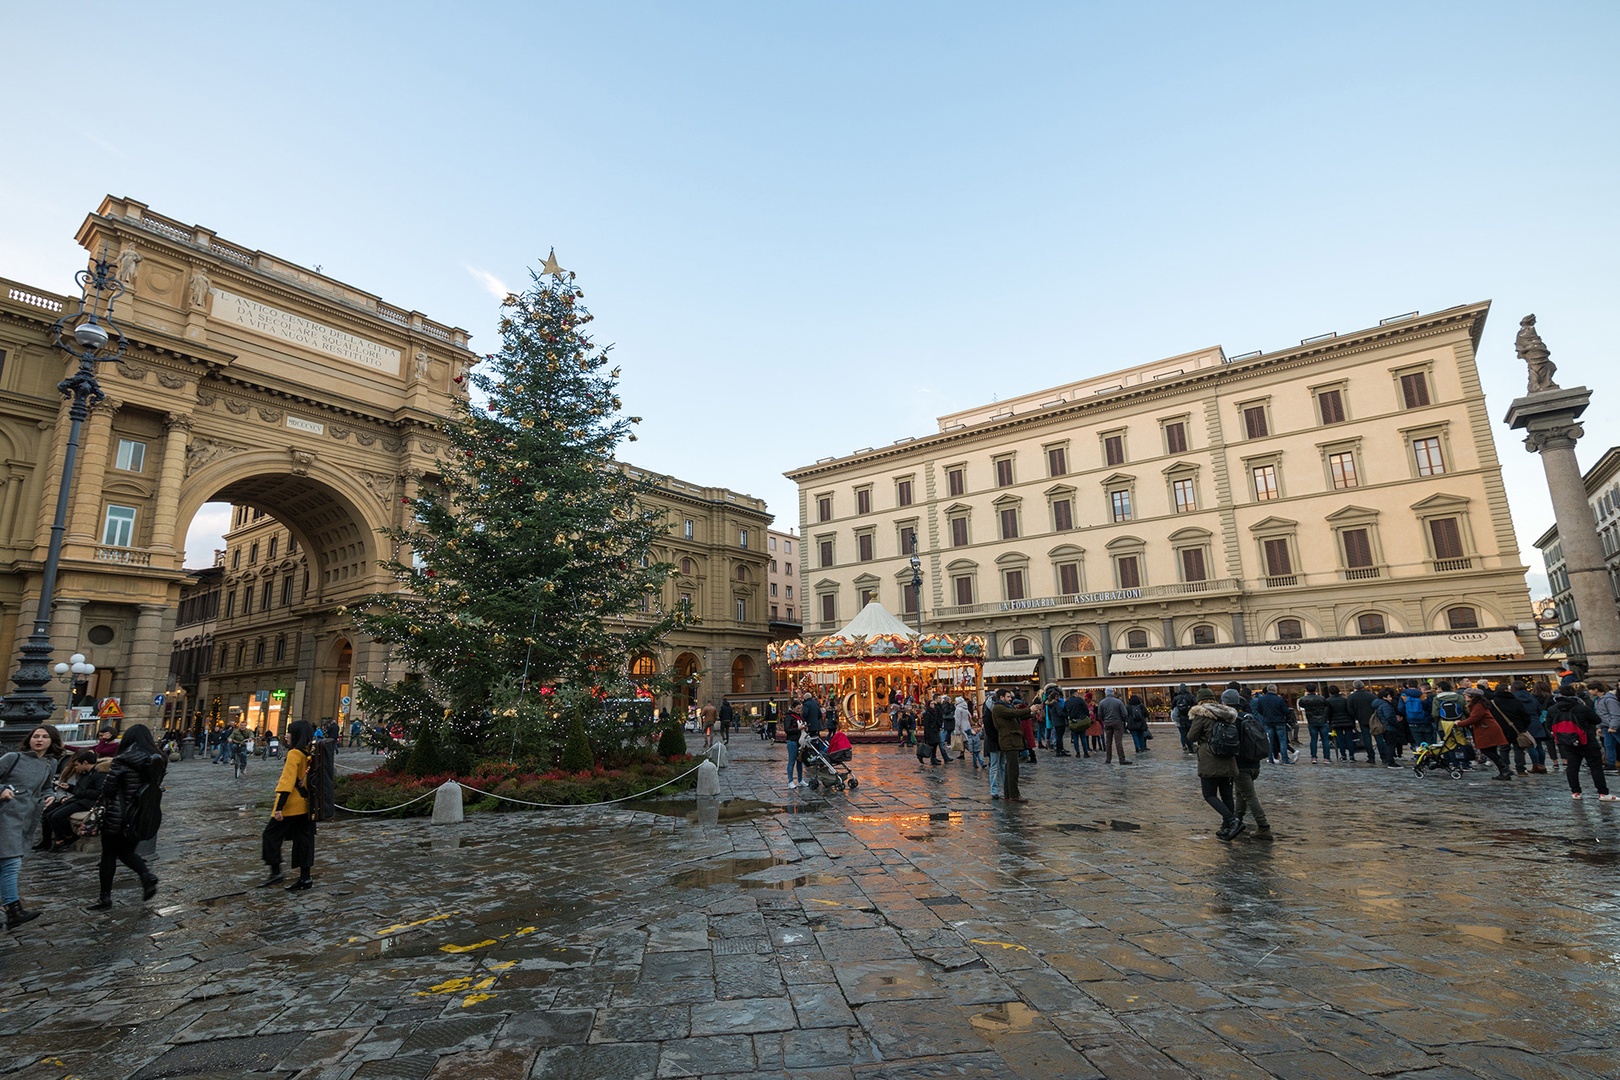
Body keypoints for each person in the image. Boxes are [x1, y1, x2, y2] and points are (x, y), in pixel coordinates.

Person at [88, 724, 165, 910]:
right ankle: (146, 876)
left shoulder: (124, 759)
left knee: (109, 854)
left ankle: (105, 897)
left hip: (118, 813)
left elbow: (108, 788)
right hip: (142, 814)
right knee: (126, 851)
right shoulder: (158, 759)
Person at [2, 726, 61, 928]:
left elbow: (46, 787)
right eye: (36, 736)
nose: (39, 739)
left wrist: (51, 796)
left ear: (52, 741)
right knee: (11, 864)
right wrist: (2, 790)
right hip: (4, 817)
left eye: (45, 737)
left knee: (6, 865)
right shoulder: (13, 758)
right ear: (29, 739)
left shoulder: (50, 763)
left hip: (26, 820)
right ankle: (13, 911)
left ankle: (12, 912)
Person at [262, 719, 318, 890]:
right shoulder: (310, 753)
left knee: (270, 836)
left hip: (291, 805)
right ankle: (305, 878)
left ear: (296, 735)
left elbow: (287, 782)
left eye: (289, 732)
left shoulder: (294, 754)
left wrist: (279, 807)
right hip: (307, 805)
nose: (286, 735)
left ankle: (276, 871)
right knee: (304, 840)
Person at [1187, 689, 1243, 840]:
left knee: (1209, 794)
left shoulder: (1201, 714)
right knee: (1227, 795)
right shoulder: (1226, 713)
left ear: (1200, 700)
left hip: (1210, 759)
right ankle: (1226, 828)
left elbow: (1191, 736)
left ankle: (1232, 821)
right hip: (1228, 758)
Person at [1547, 685, 1614, 801]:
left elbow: (1548, 726)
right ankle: (1603, 793)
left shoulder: (1553, 709)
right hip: (1587, 740)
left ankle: (1576, 792)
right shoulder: (1581, 707)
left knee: (1572, 768)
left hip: (1566, 741)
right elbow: (1596, 720)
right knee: (1595, 768)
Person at [38, 750, 104, 853]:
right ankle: (60, 839)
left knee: (57, 815)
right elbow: (79, 789)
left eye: (78, 765)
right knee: (50, 814)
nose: (77, 767)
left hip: (87, 802)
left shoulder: (98, 775)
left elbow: (98, 793)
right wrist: (69, 788)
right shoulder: (86, 774)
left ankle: (67, 837)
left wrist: (80, 791)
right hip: (79, 799)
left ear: (85, 763)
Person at [1456, 687, 1512, 780]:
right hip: (1487, 729)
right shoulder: (1479, 704)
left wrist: (1459, 723)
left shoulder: (1478, 705)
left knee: (1487, 750)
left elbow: (1474, 718)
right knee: (1491, 751)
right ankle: (1504, 771)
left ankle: (1505, 770)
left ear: (1472, 696)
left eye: (1466, 695)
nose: (1465, 696)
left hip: (1487, 730)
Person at [991, 689, 1032, 803]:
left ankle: (1008, 794)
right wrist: (1029, 709)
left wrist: (1031, 713)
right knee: (1012, 768)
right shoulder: (999, 708)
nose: (1010, 699)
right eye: (1008, 697)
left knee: (1010, 768)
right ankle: (1014, 795)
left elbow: (1016, 716)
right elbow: (1013, 714)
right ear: (1001, 697)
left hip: (1011, 739)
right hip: (1009, 740)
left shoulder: (1005, 707)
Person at [1251, 684, 1294, 764]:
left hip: (1267, 721)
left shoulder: (1262, 700)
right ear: (1275, 690)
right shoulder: (1279, 699)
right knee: (1282, 741)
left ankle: (1270, 758)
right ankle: (1285, 759)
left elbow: (1259, 710)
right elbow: (1286, 711)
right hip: (1279, 722)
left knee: (1269, 741)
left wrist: (1265, 715)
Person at [1347, 680, 1384, 766]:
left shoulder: (1351, 697)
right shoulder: (1371, 695)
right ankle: (1384, 756)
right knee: (1378, 737)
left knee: (1367, 739)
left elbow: (1350, 710)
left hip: (1362, 719)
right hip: (1373, 719)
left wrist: (1356, 717)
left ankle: (1371, 757)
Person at [1097, 688, 1130, 764]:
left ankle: (1108, 759)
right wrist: (1124, 721)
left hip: (1107, 723)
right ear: (1113, 693)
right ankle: (1121, 759)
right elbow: (1124, 713)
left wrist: (1104, 719)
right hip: (1117, 722)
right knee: (1118, 742)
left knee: (1108, 742)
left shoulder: (1102, 702)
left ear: (1106, 693)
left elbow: (1100, 714)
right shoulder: (1118, 702)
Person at [1298, 684, 1329, 763]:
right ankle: (1326, 758)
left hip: (1312, 721)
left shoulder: (1304, 699)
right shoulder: (1321, 698)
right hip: (1322, 720)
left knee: (1313, 740)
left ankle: (1314, 757)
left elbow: (1301, 704)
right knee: (1325, 740)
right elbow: (1327, 705)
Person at [1593, 681, 1620, 773]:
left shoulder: (1609, 699)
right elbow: (1599, 714)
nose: (1588, 691)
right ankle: (1611, 764)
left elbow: (1615, 714)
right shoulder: (1597, 700)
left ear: (1596, 690)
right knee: (1608, 746)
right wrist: (1599, 726)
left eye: (1590, 689)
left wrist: (1613, 726)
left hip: (1613, 726)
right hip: (1605, 726)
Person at [1324, 686, 1354, 762]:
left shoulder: (1328, 701)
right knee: (1349, 739)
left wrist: (1330, 721)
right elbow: (1350, 711)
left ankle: (1343, 756)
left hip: (1336, 722)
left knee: (1340, 739)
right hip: (1347, 721)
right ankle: (1351, 756)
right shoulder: (1345, 700)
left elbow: (1328, 713)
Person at [982, 694, 1004, 798]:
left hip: (1001, 741)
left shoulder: (999, 710)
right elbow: (989, 730)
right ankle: (994, 790)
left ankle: (1005, 788)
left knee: (1002, 765)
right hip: (994, 742)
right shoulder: (988, 713)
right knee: (995, 766)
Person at [783, 705, 804, 789]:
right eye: (798, 708)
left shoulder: (799, 716)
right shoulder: (789, 717)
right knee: (791, 761)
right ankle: (790, 781)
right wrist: (798, 729)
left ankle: (800, 780)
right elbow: (787, 730)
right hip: (792, 741)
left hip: (800, 741)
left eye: (800, 708)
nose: (799, 710)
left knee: (800, 760)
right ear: (793, 708)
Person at [1063, 691, 1090, 757]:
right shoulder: (1080, 700)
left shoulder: (1067, 702)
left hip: (1073, 722)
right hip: (1081, 721)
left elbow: (1064, 711)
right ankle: (1085, 752)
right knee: (1083, 737)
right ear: (1075, 693)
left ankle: (1077, 752)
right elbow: (1086, 710)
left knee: (1075, 738)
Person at [1171, 684, 1195, 753]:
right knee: (1191, 732)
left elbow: (1172, 707)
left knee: (1184, 734)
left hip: (1181, 719)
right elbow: (1196, 703)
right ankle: (1192, 745)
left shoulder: (1176, 698)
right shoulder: (1190, 696)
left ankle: (1188, 747)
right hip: (1190, 717)